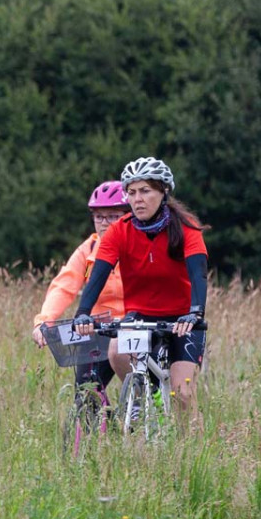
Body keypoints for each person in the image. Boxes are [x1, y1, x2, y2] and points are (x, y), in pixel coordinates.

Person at [73, 157, 208, 427]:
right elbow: (97, 277)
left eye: (145, 191)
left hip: (182, 318)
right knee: (115, 351)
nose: (138, 199)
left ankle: (191, 451)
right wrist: (83, 314)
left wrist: (195, 312)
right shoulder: (119, 231)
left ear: (163, 192)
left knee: (182, 393)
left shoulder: (185, 227)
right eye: (132, 193)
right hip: (140, 314)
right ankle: (140, 400)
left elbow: (198, 275)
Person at [32, 180, 129, 391]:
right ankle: (106, 424)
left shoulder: (140, 245)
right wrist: (44, 321)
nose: (105, 223)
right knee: (86, 391)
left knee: (140, 390)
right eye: (99, 217)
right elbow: (63, 286)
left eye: (113, 216)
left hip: (135, 326)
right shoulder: (89, 249)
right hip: (98, 328)